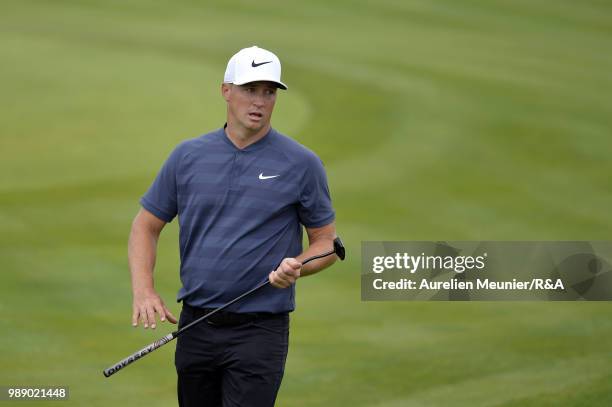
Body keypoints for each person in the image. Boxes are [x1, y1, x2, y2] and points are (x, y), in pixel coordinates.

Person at [128, 45, 338, 407]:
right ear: (226, 91)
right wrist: (144, 291)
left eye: (269, 92)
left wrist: (298, 267)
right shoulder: (188, 156)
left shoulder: (302, 164)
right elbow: (145, 226)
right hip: (196, 325)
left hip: (260, 332)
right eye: (249, 90)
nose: (259, 101)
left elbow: (327, 244)